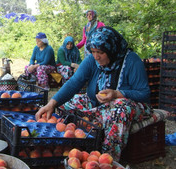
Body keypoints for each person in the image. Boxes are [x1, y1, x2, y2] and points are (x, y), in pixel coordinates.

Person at [35, 26, 153, 161]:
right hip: (98, 105)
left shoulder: (131, 61)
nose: (96, 56)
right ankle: (77, 147)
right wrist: (52, 103)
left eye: (101, 52)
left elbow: (144, 93)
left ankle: (108, 157)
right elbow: (74, 82)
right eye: (93, 51)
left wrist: (117, 93)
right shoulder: (92, 60)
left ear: (111, 50)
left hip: (131, 106)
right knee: (67, 105)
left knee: (120, 108)